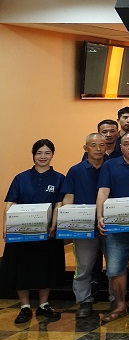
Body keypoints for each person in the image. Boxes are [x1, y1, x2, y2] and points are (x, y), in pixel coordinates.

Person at [2, 139, 65, 324]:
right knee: (21, 269)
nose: (43, 156)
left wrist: (54, 225)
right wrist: (5, 227)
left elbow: (59, 204)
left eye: (47, 153)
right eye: (39, 153)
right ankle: (25, 307)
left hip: (47, 233)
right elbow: (10, 203)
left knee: (46, 268)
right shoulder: (20, 178)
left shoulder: (59, 178)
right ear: (33, 155)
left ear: (52, 155)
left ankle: (44, 305)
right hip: (21, 233)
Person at [96, 131, 129, 322]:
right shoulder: (110, 166)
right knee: (115, 266)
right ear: (121, 147)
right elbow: (103, 192)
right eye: (127, 144)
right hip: (116, 226)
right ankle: (120, 304)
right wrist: (100, 215)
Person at [62, 133, 106, 319]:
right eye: (93, 145)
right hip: (83, 227)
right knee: (83, 267)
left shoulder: (112, 167)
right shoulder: (75, 171)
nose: (98, 149)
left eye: (102, 145)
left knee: (114, 267)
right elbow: (68, 197)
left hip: (110, 226)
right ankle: (84, 301)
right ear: (85, 148)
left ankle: (116, 300)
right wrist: (66, 220)